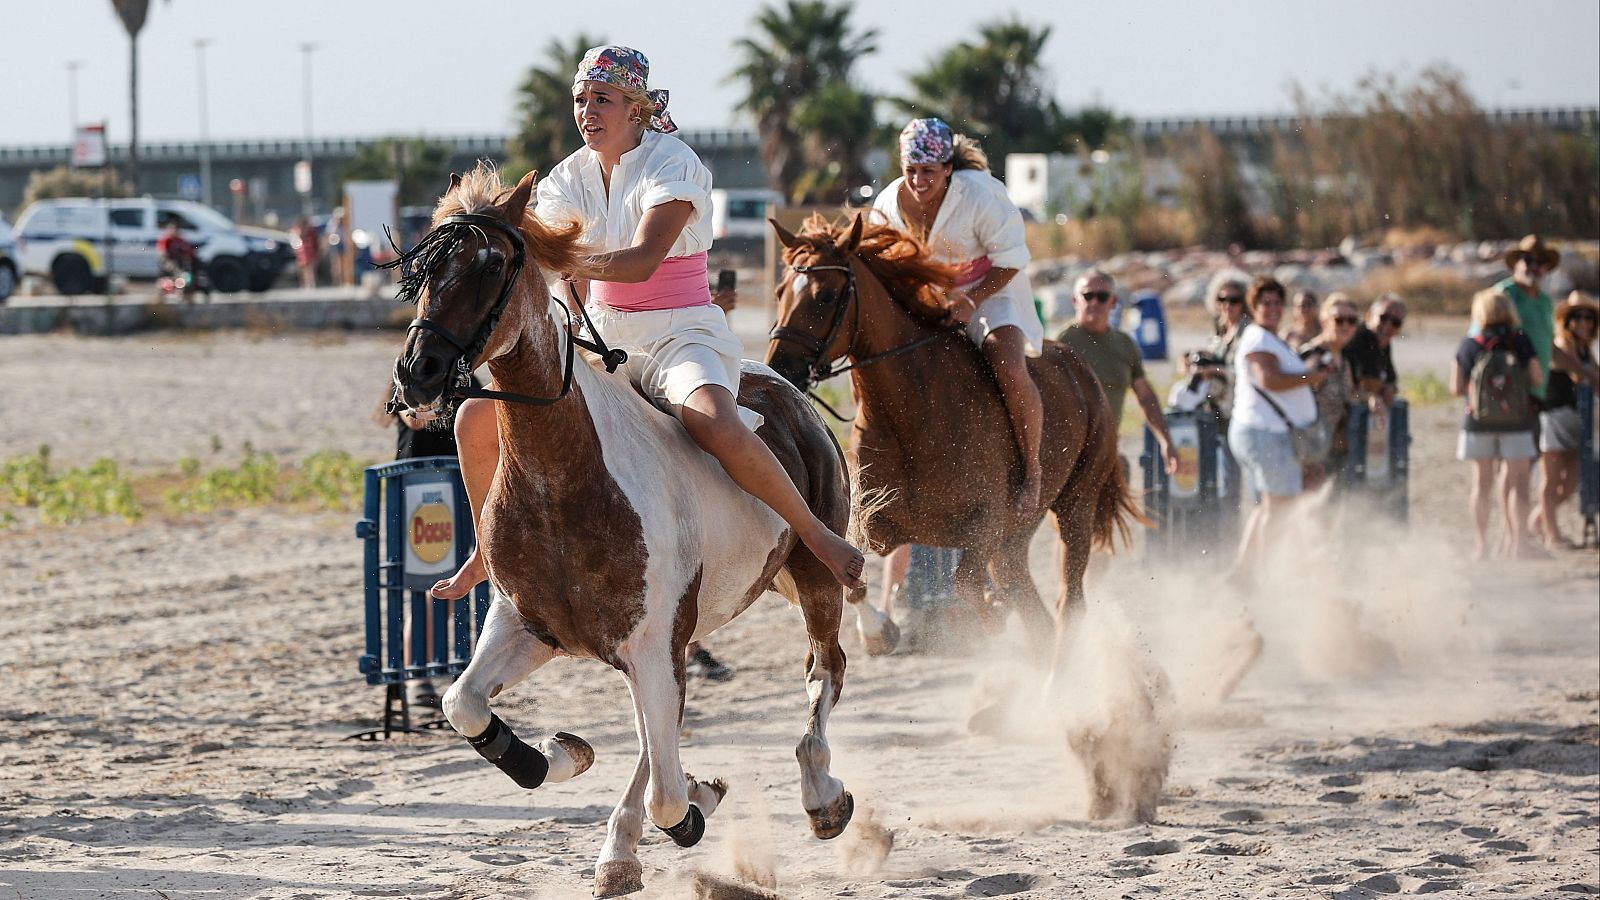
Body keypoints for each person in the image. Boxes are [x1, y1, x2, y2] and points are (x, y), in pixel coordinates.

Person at [430, 45, 866, 608]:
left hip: (678, 333)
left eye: (602, 99)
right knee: (474, 416)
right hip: (600, 334)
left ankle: (815, 533)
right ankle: (486, 549)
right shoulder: (566, 176)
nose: (588, 111)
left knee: (715, 420)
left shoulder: (674, 162)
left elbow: (640, 262)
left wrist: (557, 259)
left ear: (635, 108)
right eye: (581, 100)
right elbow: (557, 273)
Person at [871, 117, 1046, 517]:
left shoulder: (981, 194)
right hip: (928, 297)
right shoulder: (886, 204)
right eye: (911, 170)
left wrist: (972, 300)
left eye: (928, 171)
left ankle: (1032, 470)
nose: (918, 180)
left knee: (1009, 365)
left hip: (990, 289)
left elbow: (1011, 259)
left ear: (948, 168)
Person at [1224, 276, 1326, 585]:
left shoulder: (1266, 337)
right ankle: (1263, 576)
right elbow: (1269, 380)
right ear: (1253, 307)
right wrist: (1312, 377)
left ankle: (1244, 572)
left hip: (1263, 432)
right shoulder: (1258, 338)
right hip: (1264, 433)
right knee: (1281, 507)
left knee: (1269, 506)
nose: (1272, 308)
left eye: (1277, 302)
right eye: (1265, 303)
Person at [1055, 267, 1179, 476]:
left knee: (1122, 471)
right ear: (1075, 300)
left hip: (1109, 450)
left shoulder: (1125, 344)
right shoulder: (1062, 343)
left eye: (1102, 297)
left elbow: (1145, 396)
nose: (1094, 302)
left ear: (1113, 302)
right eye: (1088, 295)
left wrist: (1166, 441)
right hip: (1068, 453)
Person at [1451, 289, 1544, 560]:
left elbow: (1455, 387)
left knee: (1481, 484)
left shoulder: (1469, 344)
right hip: (1517, 422)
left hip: (1477, 422)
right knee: (1519, 484)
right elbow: (1537, 378)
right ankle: (1519, 544)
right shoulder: (1520, 341)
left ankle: (1481, 546)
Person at [1531, 291, 1600, 549]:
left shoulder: (1585, 350)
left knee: (1571, 483)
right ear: (1567, 321)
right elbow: (1580, 377)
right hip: (1555, 417)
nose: (1583, 322)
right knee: (1551, 478)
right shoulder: (1563, 346)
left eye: (1589, 317)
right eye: (1577, 317)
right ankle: (1552, 534)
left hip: (1578, 419)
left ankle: (1536, 520)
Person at [1295, 293, 1361, 489]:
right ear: (1325, 321)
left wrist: (1372, 398)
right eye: (1339, 320)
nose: (1346, 326)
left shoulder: (1342, 359)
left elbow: (1348, 395)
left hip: (1330, 446)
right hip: (1309, 448)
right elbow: (1296, 396)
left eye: (1351, 321)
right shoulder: (1313, 355)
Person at [1181, 279, 1251, 434]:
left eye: (1234, 300)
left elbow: (1247, 372)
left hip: (1238, 407)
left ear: (1244, 303)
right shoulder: (1220, 330)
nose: (1227, 305)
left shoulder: (1248, 332)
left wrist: (1214, 370)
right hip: (1216, 404)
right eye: (1222, 299)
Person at [1344, 293, 1404, 413]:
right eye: (1383, 317)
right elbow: (1366, 384)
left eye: (1395, 322)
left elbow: (1392, 381)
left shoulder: (1382, 342)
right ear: (1369, 315)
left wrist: (1389, 388)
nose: (1388, 325)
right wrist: (1379, 391)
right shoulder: (1358, 339)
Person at [156, 217, 202, 299]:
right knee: (176, 270)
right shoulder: (165, 240)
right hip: (168, 262)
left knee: (191, 268)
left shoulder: (180, 240)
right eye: (172, 229)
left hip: (180, 262)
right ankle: (176, 286)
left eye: (176, 229)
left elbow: (188, 250)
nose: (174, 231)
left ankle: (190, 287)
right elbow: (163, 253)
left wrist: (191, 253)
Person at [292, 217, 321, 290]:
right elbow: (296, 239)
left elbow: (316, 241)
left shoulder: (311, 230)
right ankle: (305, 283)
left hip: (308, 251)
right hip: (301, 251)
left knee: (310, 268)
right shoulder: (297, 229)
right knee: (303, 268)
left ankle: (310, 283)